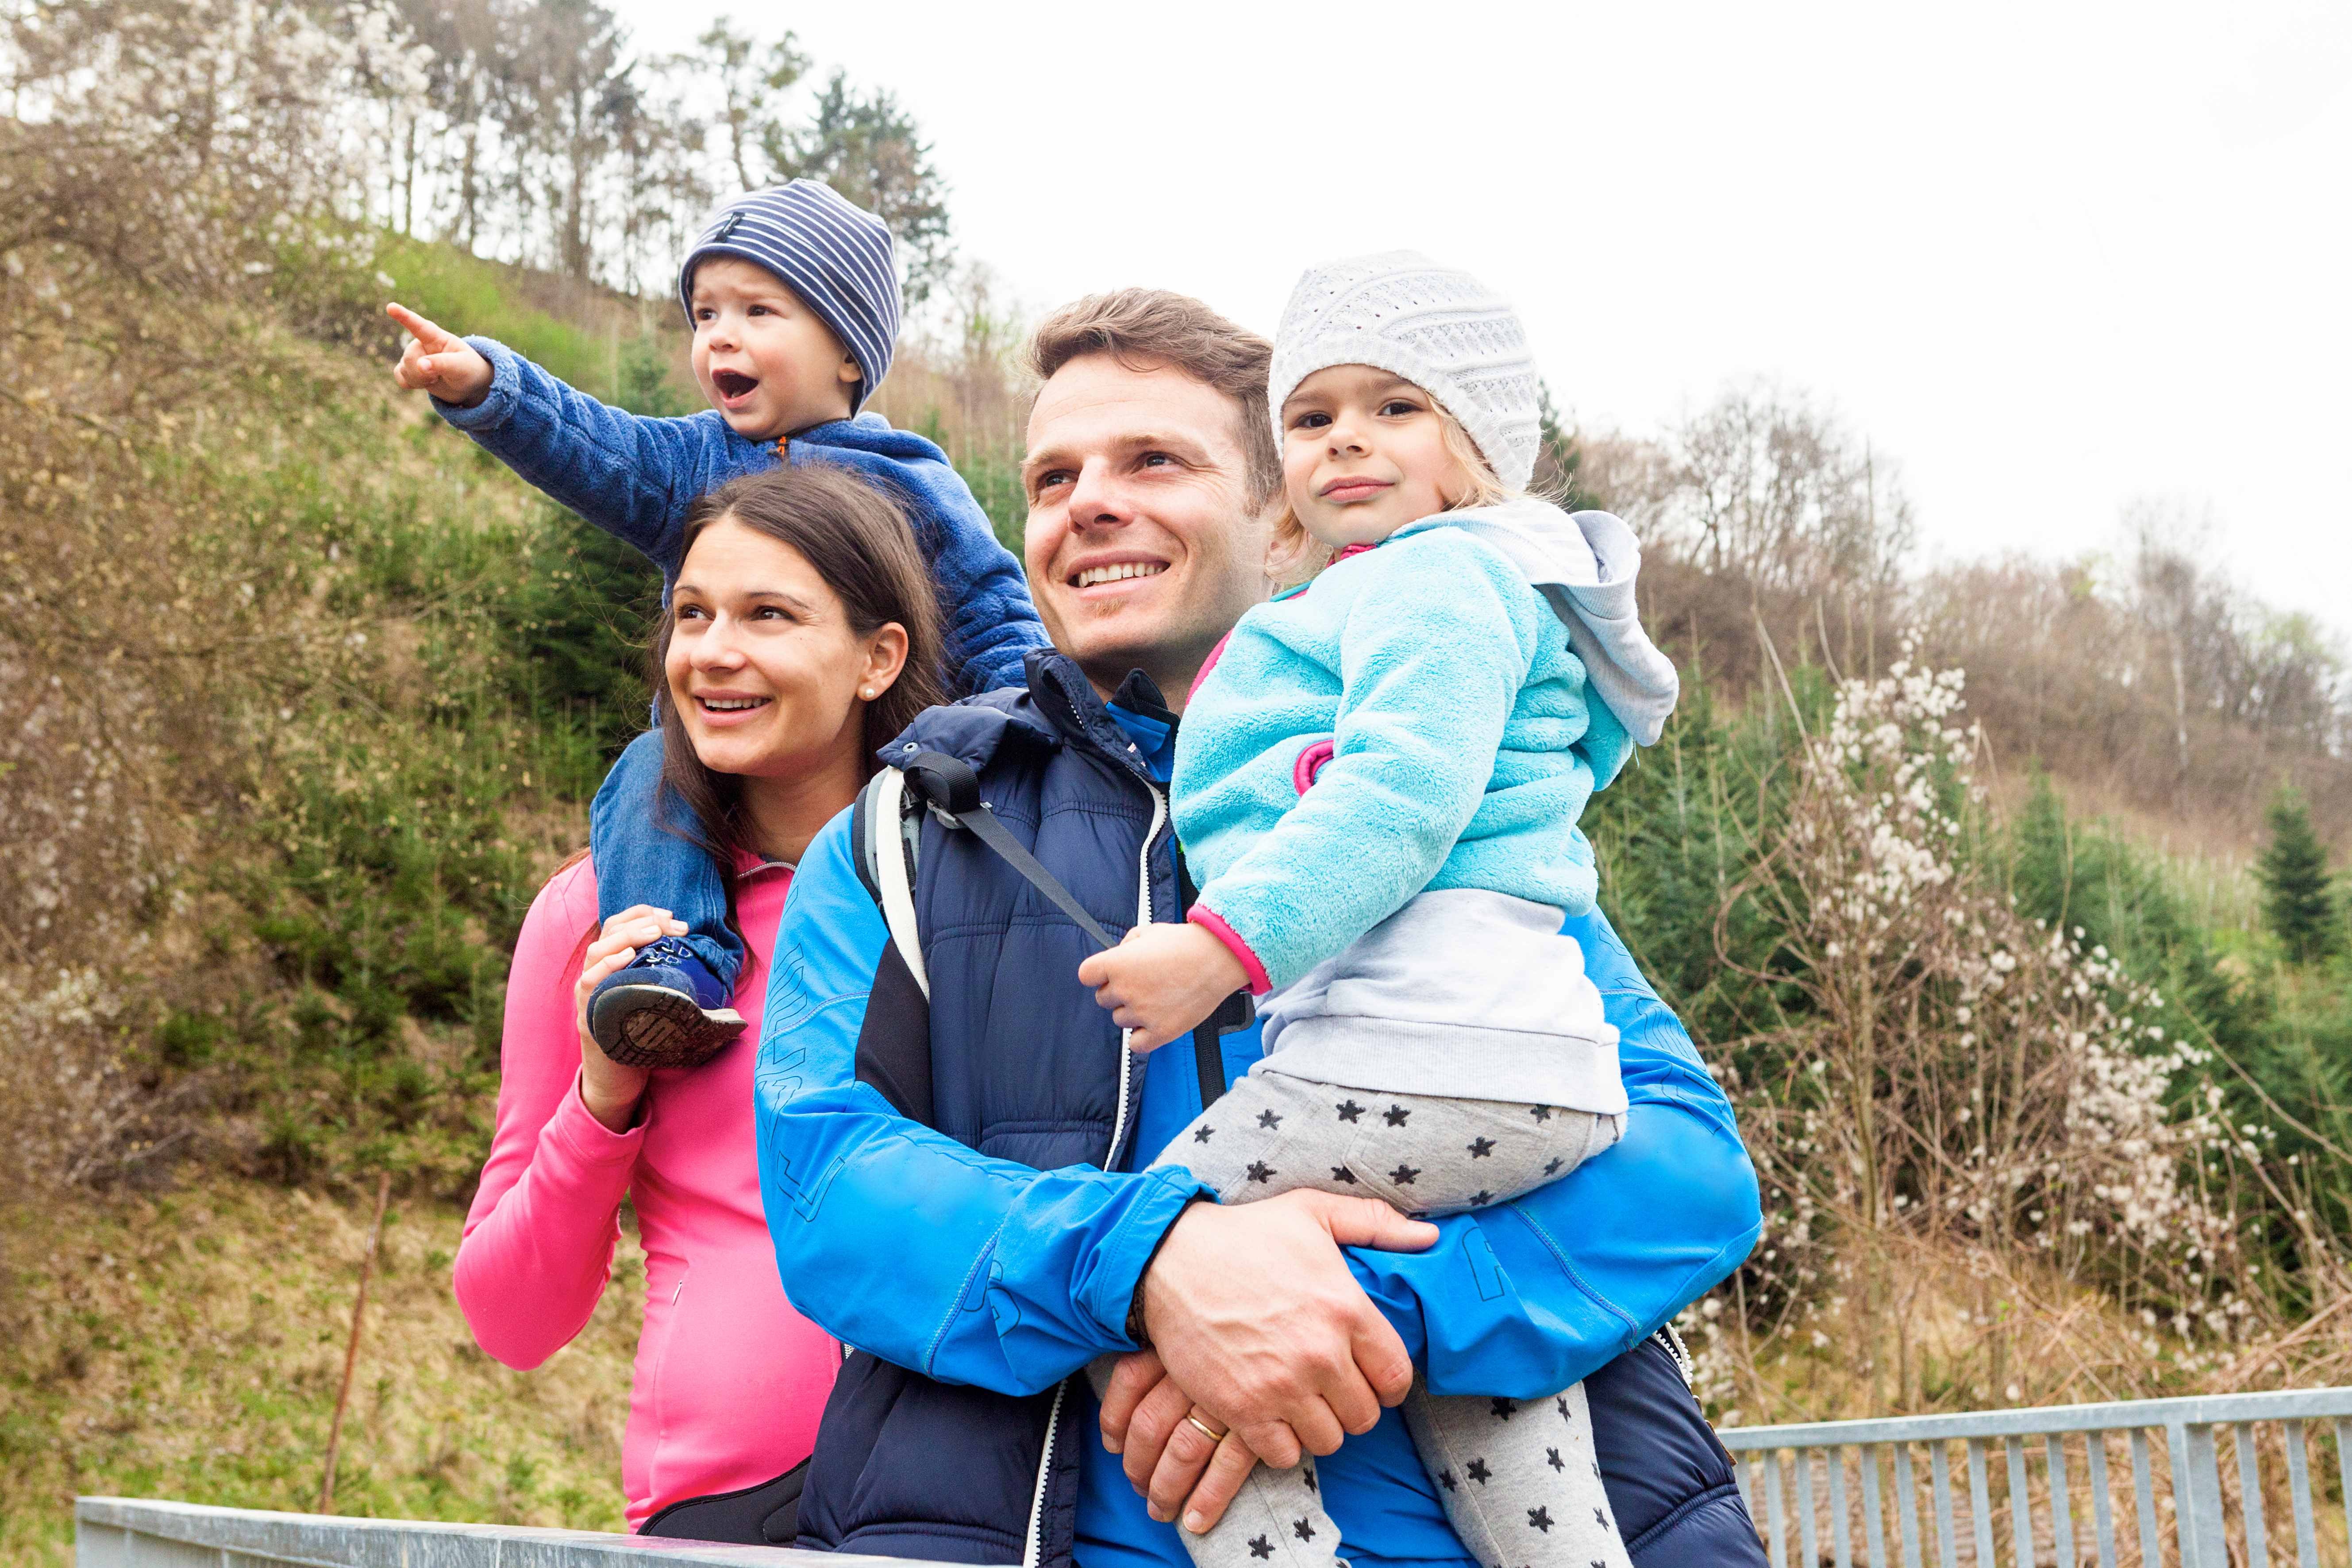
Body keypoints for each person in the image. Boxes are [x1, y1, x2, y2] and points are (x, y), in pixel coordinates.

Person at [753, 289, 1768, 1568]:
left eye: (1153, 462)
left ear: (1277, 511)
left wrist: (1356, 1310)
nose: (1089, 503)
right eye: (1053, 475)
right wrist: (1154, 1271)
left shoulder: (1444, 802)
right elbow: (824, 1180)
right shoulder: (915, 824)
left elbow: (1687, 1171)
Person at [1072, 253, 1684, 1568]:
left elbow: (1401, 792)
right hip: (1519, 1071)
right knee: (1493, 1392)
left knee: (1145, 1268)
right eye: (1311, 416)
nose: (1347, 437)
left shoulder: (1436, 577)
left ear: (1477, 447)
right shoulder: (1459, 586)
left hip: (1419, 1058)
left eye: (1395, 407)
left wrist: (1217, 949)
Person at [384, 178, 1044, 1070]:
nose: (719, 336)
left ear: (849, 355)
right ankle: (677, 960)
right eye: (705, 313)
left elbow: (996, 614)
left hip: (877, 757)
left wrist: (1020, 735)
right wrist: (490, 386)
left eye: (758, 310)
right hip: (715, 753)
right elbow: (595, 447)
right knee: (648, 770)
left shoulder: (911, 479)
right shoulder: (696, 457)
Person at [454, 464, 948, 1539]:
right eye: (692, 614)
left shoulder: (973, 890)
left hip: (972, 1482)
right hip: (723, 1502)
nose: (714, 651)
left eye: (768, 614)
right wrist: (605, 1091)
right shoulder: (598, 917)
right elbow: (511, 1317)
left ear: (880, 656)